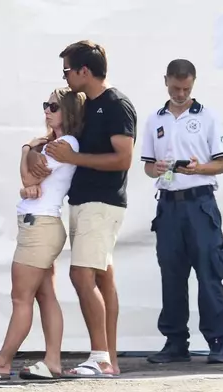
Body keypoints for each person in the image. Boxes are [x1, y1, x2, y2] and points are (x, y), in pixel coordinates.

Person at [28, 40, 136, 377]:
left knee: (81, 274)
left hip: (101, 202)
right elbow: (54, 135)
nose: (65, 77)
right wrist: (32, 148)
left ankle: (101, 356)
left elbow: (124, 158)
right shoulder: (87, 106)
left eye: (67, 71)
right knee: (102, 278)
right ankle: (110, 360)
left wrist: (74, 159)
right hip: (85, 202)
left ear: (84, 71)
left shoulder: (116, 104)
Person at [0, 88, 84, 381]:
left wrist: (25, 149)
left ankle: (2, 362)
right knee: (45, 296)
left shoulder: (64, 143)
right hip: (39, 223)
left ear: (68, 112)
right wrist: (31, 164)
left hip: (39, 226)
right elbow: (30, 183)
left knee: (21, 297)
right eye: (46, 105)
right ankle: (52, 361)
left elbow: (29, 177)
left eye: (53, 106)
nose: (47, 110)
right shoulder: (54, 143)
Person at [141, 59, 223, 364]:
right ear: (165, 80)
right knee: (172, 275)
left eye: (186, 88)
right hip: (168, 205)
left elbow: (222, 163)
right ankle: (175, 342)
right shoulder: (155, 119)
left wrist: (198, 168)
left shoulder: (207, 117)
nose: (180, 93)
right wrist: (158, 168)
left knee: (209, 273)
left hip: (200, 203)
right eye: (175, 87)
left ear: (194, 83)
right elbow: (147, 167)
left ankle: (218, 341)